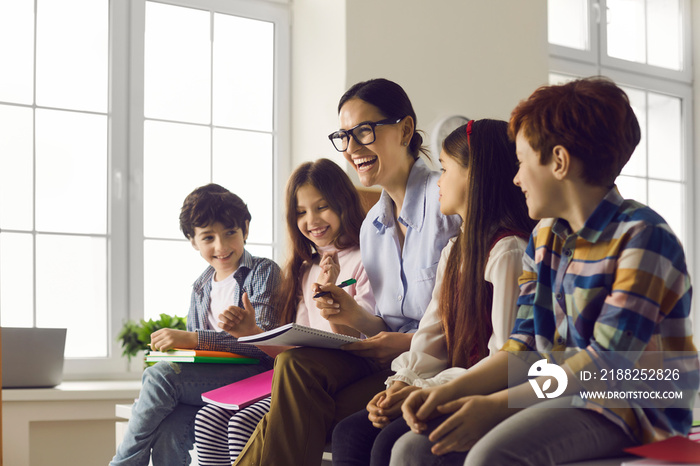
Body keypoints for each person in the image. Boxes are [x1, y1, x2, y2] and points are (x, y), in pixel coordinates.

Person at [389, 77, 699, 466]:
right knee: (413, 449)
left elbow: (605, 365)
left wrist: (498, 405)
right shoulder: (545, 238)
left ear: (558, 161)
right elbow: (524, 348)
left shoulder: (644, 237)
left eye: (521, 162)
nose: (516, 178)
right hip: (566, 392)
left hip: (638, 403)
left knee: (491, 455)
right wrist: (449, 391)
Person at [233, 78, 462, 466]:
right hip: (383, 360)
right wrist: (348, 313)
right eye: (344, 136)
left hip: (433, 364)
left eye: (365, 132)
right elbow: (381, 325)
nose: (352, 149)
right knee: (293, 364)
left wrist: (401, 344)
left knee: (297, 412)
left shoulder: (448, 199)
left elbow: (467, 324)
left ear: (405, 130)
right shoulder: (374, 224)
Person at [331, 119, 536, 466]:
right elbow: (432, 333)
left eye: (445, 169)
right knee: (349, 433)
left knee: (389, 444)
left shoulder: (509, 251)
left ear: (476, 176)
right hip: (445, 384)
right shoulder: (454, 250)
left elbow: (506, 358)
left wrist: (426, 390)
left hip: (483, 390)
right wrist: (400, 385)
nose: (439, 181)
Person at [192, 158, 377, 465]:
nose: (312, 220)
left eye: (322, 207)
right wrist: (251, 332)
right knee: (209, 419)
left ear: (344, 203)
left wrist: (334, 304)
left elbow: (365, 342)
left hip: (349, 371)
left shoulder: (364, 258)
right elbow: (293, 350)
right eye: (301, 212)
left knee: (242, 422)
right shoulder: (304, 269)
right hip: (300, 372)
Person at [110, 184, 281, 466]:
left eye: (230, 233)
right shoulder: (200, 287)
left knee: (160, 376)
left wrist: (195, 339)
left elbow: (265, 350)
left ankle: (122, 463)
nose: (221, 246)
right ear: (193, 241)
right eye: (208, 237)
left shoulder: (262, 271)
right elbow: (198, 359)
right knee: (168, 431)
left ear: (245, 229)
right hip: (213, 381)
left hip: (255, 377)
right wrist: (186, 345)